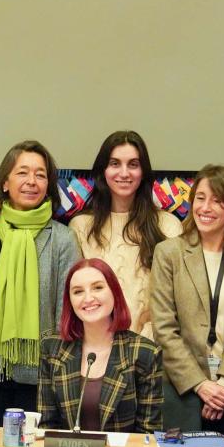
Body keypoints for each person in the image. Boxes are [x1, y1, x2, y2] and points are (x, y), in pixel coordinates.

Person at [0, 140, 79, 422]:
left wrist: (57, 368)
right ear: (5, 182)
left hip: (42, 375)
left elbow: (67, 311)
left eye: (40, 175)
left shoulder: (63, 238)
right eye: (22, 172)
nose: (32, 181)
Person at [150, 164, 224, 438]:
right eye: (200, 198)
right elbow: (164, 329)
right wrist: (201, 385)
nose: (205, 207)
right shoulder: (169, 253)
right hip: (183, 391)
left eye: (217, 200)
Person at [69, 131, 181, 339]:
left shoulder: (168, 226)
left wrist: (145, 344)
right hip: (97, 346)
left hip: (154, 346)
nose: (124, 173)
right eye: (115, 163)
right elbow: (76, 298)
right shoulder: (81, 227)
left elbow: (176, 300)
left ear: (143, 172)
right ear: (103, 170)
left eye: (133, 164)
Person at [37, 258, 163, 434]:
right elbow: (46, 428)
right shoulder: (51, 349)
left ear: (114, 292)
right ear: (69, 301)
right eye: (78, 291)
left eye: (97, 288)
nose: (88, 298)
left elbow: (148, 437)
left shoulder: (145, 353)